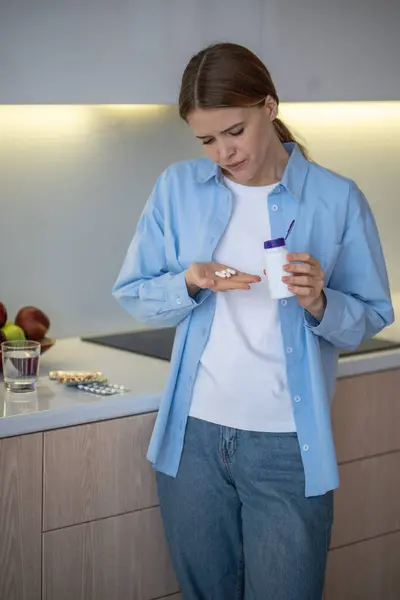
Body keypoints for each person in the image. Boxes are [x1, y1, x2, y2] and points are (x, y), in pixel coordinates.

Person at [112, 43, 394, 600]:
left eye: (234, 131)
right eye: (207, 140)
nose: (223, 152)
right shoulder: (177, 189)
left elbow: (373, 314)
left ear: (269, 106)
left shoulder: (336, 199)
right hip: (191, 441)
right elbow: (134, 292)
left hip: (286, 448)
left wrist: (320, 303)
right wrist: (190, 280)